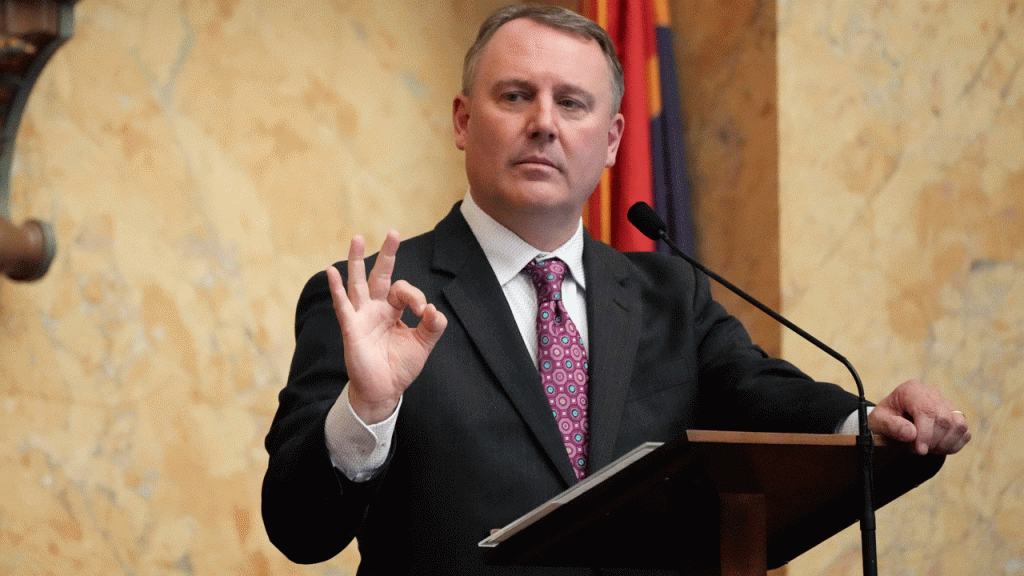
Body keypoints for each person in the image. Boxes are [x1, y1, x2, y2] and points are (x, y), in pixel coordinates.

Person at [262, 5, 970, 574]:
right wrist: (368, 409)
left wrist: (866, 422)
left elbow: (761, 394)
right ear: (463, 121)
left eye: (572, 103)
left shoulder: (671, 292)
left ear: (611, 140)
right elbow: (299, 530)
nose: (544, 123)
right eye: (516, 96)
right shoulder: (372, 302)